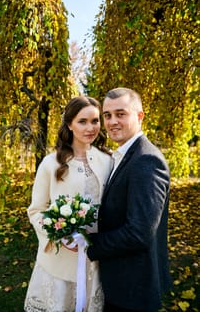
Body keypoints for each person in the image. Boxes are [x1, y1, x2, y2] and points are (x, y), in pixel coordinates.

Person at [87, 87, 172, 312]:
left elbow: (139, 233)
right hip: (121, 283)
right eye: (107, 115)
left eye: (120, 114)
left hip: (132, 289)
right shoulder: (126, 155)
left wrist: (89, 244)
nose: (112, 121)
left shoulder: (146, 160)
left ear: (140, 116)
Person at [24, 96, 112, 312]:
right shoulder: (51, 163)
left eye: (95, 120)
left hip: (96, 259)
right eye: (82, 121)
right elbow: (36, 210)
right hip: (59, 261)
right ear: (70, 124)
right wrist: (59, 236)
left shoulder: (108, 160)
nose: (90, 128)